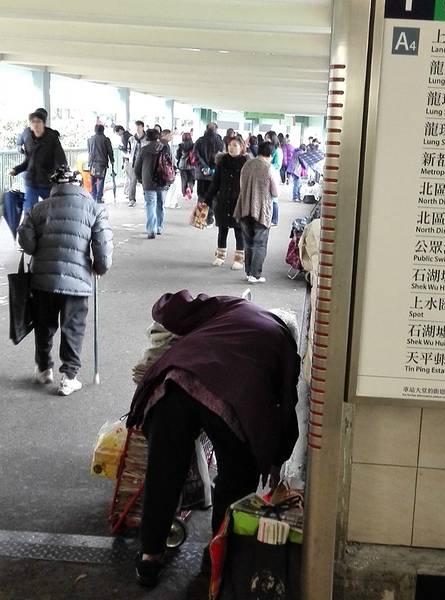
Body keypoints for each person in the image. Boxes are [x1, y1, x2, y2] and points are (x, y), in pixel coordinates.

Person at [126, 290, 300, 587]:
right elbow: (285, 406)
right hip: (235, 400)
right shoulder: (284, 343)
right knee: (237, 478)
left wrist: (165, 302)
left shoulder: (235, 307)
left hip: (178, 382)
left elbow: (177, 310)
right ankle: (219, 557)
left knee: (163, 470)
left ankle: (150, 557)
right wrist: (276, 460)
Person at [17, 168, 113, 396]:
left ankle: (44, 369)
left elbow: (27, 243)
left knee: (44, 324)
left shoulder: (39, 208)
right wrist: (100, 268)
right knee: (73, 327)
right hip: (77, 281)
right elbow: (103, 246)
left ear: (55, 185)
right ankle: (69, 377)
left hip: (43, 280)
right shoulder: (94, 208)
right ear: (80, 185)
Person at [234, 141, 279, 284]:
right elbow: (275, 192)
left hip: (244, 207)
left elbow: (241, 185)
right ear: (271, 154)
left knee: (248, 242)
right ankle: (255, 274)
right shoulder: (269, 168)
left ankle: (249, 272)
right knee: (260, 243)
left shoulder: (247, 165)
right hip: (261, 209)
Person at [9, 109, 67, 213]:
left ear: (44, 123)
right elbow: (28, 162)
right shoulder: (27, 138)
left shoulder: (52, 137)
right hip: (31, 182)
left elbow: (61, 161)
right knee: (29, 212)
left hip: (47, 183)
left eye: (39, 121)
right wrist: (16, 170)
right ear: (30, 125)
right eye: (33, 122)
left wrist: (57, 177)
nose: (35, 124)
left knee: (51, 212)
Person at [205, 137, 248, 270]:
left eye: (235, 145)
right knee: (222, 230)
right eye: (229, 145)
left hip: (239, 202)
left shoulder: (246, 163)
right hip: (223, 201)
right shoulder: (222, 162)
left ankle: (239, 259)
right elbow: (215, 183)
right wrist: (207, 199)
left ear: (241, 147)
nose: (231, 147)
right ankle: (220, 256)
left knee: (239, 231)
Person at [135, 128, 167, 239]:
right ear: (158, 136)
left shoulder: (143, 150)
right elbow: (171, 163)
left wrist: (140, 179)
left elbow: (137, 167)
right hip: (162, 180)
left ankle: (151, 230)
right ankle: (159, 227)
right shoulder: (164, 148)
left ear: (147, 138)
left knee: (150, 205)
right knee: (160, 204)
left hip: (148, 182)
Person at [194, 123, 224, 226]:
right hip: (214, 175)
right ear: (216, 130)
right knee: (213, 197)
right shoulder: (220, 142)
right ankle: (210, 220)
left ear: (206, 129)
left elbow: (196, 155)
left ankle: (200, 221)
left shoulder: (199, 141)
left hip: (202, 174)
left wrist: (204, 166)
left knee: (201, 196)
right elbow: (221, 158)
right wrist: (212, 169)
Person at [87, 124, 115, 204]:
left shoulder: (90, 139)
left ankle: (93, 197)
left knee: (93, 180)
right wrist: (112, 160)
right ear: (103, 130)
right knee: (101, 180)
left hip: (92, 163)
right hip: (102, 163)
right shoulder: (106, 140)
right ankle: (99, 198)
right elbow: (110, 151)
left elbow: (89, 151)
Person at [127, 121, 148, 207]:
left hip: (144, 163)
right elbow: (128, 150)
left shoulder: (147, 138)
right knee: (132, 182)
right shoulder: (131, 139)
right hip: (134, 163)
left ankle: (147, 200)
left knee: (145, 182)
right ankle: (132, 200)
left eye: (139, 127)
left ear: (142, 127)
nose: (137, 129)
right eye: (136, 127)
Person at [265, 131, 282, 227]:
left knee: (274, 198)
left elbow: (278, 165)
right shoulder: (268, 148)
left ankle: (275, 220)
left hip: (274, 175)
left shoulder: (277, 150)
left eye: (268, 138)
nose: (266, 140)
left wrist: (267, 166)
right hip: (267, 174)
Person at [175, 132, 197, 200]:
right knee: (191, 179)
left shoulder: (180, 146)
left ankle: (185, 194)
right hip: (192, 165)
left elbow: (177, 156)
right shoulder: (194, 145)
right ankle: (190, 188)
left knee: (184, 180)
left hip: (182, 165)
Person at [114, 125, 132, 200]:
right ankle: (128, 192)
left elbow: (126, 149)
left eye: (117, 132)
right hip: (130, 159)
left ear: (121, 130)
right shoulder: (129, 135)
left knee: (129, 176)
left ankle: (129, 192)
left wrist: (120, 148)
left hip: (128, 159)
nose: (117, 134)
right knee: (129, 176)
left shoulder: (124, 136)